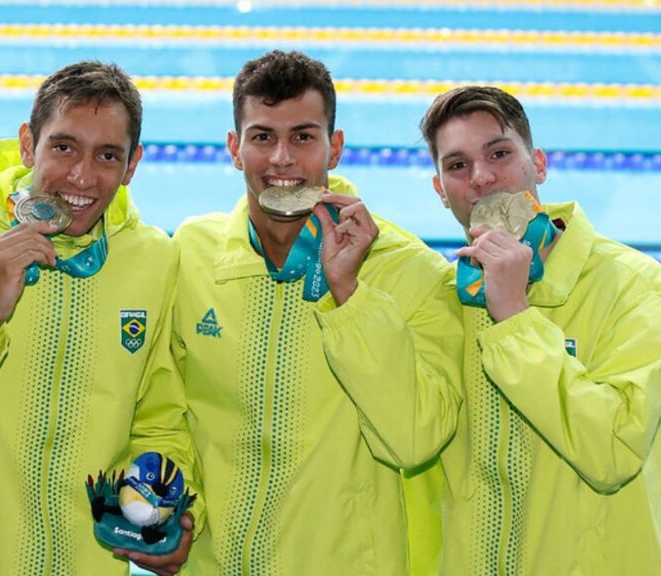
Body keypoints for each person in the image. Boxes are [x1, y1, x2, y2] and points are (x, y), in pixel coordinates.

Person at [0, 61, 196, 576]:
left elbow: (160, 419)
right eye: (63, 146)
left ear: (132, 165)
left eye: (107, 155)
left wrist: (166, 507)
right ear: (28, 144)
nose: (82, 176)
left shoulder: (152, 261)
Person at [154, 49, 464, 574]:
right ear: (233, 148)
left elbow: (416, 439)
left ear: (334, 147)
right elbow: (167, 413)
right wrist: (180, 513)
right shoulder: (192, 252)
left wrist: (350, 298)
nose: (281, 159)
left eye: (302, 136)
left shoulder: (411, 271)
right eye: (261, 137)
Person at [417, 85, 661, 575]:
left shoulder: (635, 286)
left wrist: (515, 319)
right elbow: (407, 441)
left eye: (499, 153)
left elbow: (613, 450)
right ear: (441, 192)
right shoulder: (444, 298)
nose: (482, 177)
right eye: (458, 166)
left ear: (540, 165)